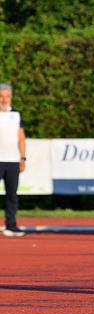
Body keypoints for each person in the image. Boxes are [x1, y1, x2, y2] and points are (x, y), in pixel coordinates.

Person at [0, 83, 27, 237]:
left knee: (12, 194)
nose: (4, 99)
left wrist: (22, 157)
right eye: (1, 96)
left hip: (12, 161)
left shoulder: (16, 115)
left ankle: (11, 225)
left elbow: (21, 137)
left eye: (7, 96)